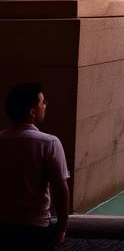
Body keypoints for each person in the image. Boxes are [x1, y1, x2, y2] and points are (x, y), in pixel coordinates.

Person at [0, 83, 70, 251]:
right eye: (43, 102)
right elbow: (60, 189)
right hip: (35, 227)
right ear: (32, 112)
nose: (46, 105)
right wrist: (61, 227)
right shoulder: (49, 143)